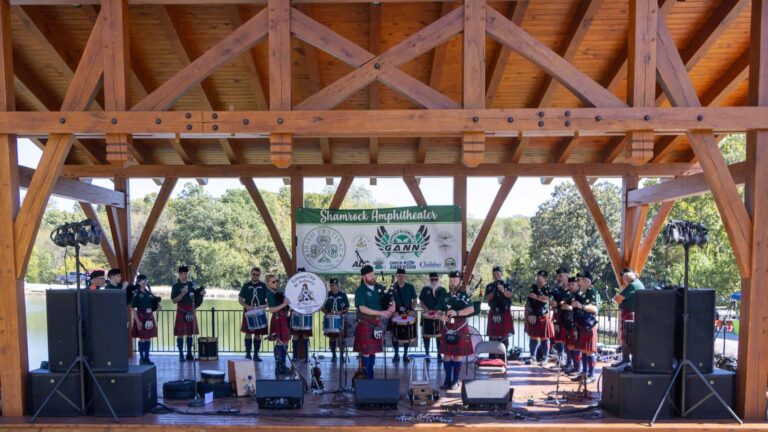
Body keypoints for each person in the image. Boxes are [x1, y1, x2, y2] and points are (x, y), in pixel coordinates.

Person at [354, 265, 394, 379]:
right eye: (370, 275)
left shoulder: (378, 287)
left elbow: (387, 300)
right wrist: (380, 313)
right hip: (365, 323)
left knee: (373, 352)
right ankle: (366, 377)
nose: (373, 276)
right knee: (366, 352)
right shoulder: (360, 290)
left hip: (376, 324)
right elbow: (362, 308)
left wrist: (392, 305)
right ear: (364, 276)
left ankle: (370, 375)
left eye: (373, 274)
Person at [437, 270, 475, 391]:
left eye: (455, 279)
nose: (453, 281)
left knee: (458, 355)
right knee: (447, 355)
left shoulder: (463, 296)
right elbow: (438, 311)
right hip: (448, 327)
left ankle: (455, 380)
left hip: (460, 326)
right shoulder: (445, 296)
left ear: (459, 281)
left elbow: (471, 309)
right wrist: (441, 316)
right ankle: (447, 380)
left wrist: (457, 312)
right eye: (451, 279)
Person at [171, 265, 205, 362]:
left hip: (191, 310)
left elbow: (196, 296)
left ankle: (189, 353)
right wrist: (182, 293)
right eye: (182, 274)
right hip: (181, 311)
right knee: (180, 334)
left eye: (186, 274)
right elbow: (174, 300)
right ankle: (181, 354)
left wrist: (201, 293)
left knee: (190, 333)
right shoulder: (176, 286)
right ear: (179, 274)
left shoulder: (191, 285)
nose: (184, 276)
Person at [572, 271, 599, 383]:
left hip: (589, 324)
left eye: (580, 280)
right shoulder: (581, 292)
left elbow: (595, 309)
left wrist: (581, 306)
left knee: (589, 351)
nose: (578, 282)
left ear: (587, 281)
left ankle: (592, 375)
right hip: (581, 324)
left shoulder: (592, 291)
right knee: (583, 350)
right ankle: (584, 373)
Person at [613, 268, 644, 367]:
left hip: (630, 315)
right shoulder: (634, 284)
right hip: (630, 314)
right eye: (624, 277)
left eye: (626, 275)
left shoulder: (633, 285)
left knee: (627, 337)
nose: (625, 278)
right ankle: (628, 360)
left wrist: (619, 299)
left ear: (634, 274)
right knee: (628, 337)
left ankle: (626, 361)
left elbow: (618, 298)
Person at [525, 270, 555, 366]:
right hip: (532, 315)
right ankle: (532, 356)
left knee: (544, 338)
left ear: (545, 279)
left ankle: (545, 357)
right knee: (533, 336)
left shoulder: (547, 288)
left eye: (540, 277)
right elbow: (529, 299)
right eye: (537, 277)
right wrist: (527, 316)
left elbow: (548, 300)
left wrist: (537, 297)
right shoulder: (533, 287)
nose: (538, 279)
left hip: (543, 315)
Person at [239, 267, 268, 361]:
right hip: (248, 312)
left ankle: (256, 355)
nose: (255, 276)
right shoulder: (246, 285)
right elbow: (240, 300)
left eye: (257, 274)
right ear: (251, 274)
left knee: (257, 335)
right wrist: (247, 306)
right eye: (253, 274)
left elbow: (270, 300)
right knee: (248, 334)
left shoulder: (264, 286)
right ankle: (248, 354)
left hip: (260, 313)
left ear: (259, 275)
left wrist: (264, 306)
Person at [485, 266, 514, 357]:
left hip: (504, 313)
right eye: (494, 274)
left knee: (504, 336)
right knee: (492, 337)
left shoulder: (507, 285)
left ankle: (503, 358)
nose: (496, 275)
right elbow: (487, 298)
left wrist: (502, 290)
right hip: (493, 312)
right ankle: (492, 358)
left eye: (498, 273)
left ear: (501, 274)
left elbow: (510, 295)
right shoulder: (489, 286)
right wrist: (494, 290)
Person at [390, 268, 417, 363]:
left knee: (407, 335)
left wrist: (411, 310)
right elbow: (389, 301)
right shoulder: (392, 287)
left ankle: (405, 354)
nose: (401, 277)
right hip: (396, 313)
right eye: (399, 276)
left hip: (407, 314)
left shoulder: (410, 287)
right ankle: (396, 354)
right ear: (396, 276)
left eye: (402, 276)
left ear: (405, 276)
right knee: (395, 335)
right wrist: (393, 311)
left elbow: (414, 301)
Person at [130, 275, 159, 365]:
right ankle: (142, 358)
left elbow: (153, 303)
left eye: (145, 281)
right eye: (142, 282)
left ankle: (147, 358)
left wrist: (158, 305)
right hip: (141, 316)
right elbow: (133, 308)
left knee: (148, 338)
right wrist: (137, 321)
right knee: (142, 338)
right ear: (138, 282)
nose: (144, 283)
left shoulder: (148, 292)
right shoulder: (136, 293)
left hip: (149, 316)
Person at [266, 274, 291, 374]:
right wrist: (284, 304)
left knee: (285, 342)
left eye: (277, 281)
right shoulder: (270, 294)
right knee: (280, 342)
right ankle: (279, 366)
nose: (276, 283)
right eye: (273, 282)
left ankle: (283, 365)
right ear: (267, 283)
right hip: (277, 317)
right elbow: (271, 309)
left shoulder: (277, 292)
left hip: (283, 317)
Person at [419, 272, 446, 363]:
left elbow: (444, 303)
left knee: (439, 337)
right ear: (429, 279)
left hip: (438, 317)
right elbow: (421, 302)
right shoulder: (425, 289)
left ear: (438, 280)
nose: (434, 281)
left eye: (436, 279)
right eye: (432, 279)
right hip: (427, 316)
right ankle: (427, 354)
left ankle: (439, 355)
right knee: (426, 336)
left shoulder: (443, 290)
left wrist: (440, 312)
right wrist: (426, 310)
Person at [323, 277, 350, 362]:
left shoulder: (343, 295)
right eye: (331, 285)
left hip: (340, 318)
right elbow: (322, 307)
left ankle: (341, 356)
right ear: (330, 286)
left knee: (341, 338)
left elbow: (347, 307)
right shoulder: (326, 295)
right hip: (330, 318)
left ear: (338, 285)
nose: (333, 286)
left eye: (335, 285)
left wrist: (341, 312)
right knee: (332, 338)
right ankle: (334, 355)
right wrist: (327, 313)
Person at [549, 267, 570, 367]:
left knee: (568, 339)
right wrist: (552, 303)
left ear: (567, 276)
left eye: (561, 276)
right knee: (558, 338)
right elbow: (552, 302)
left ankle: (569, 362)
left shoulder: (572, 288)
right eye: (558, 276)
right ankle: (560, 360)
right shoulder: (556, 290)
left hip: (568, 317)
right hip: (558, 316)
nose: (559, 278)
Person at [563, 276, 581, 376]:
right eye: (569, 284)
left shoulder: (579, 295)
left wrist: (569, 306)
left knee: (576, 347)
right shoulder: (569, 294)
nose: (570, 286)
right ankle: (572, 366)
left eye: (572, 284)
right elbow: (563, 303)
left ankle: (578, 368)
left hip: (577, 323)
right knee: (569, 346)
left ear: (577, 285)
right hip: (569, 322)